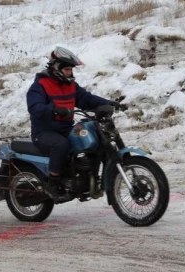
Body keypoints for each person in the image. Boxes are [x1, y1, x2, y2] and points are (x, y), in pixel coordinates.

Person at [26, 46, 127, 200]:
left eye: (70, 70)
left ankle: (93, 178)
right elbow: (34, 107)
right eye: (67, 69)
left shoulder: (70, 85)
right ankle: (53, 183)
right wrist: (53, 110)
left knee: (94, 136)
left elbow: (87, 99)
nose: (70, 73)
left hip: (66, 128)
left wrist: (109, 103)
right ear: (56, 68)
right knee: (61, 145)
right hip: (44, 132)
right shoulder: (40, 85)